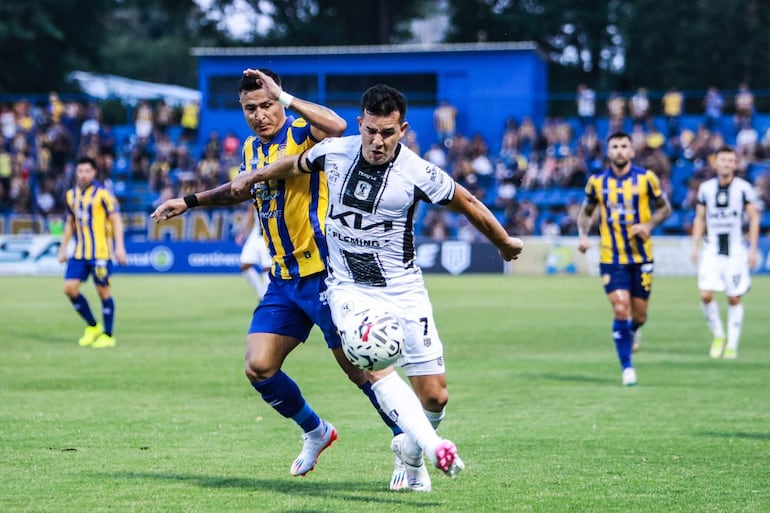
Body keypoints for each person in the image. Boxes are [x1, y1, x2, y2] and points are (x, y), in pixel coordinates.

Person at [231, 84, 524, 491]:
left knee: (435, 397)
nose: (377, 141)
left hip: (404, 289)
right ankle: (433, 445)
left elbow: (468, 202)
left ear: (402, 129)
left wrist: (505, 242)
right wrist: (257, 174)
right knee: (373, 367)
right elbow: (293, 165)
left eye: (387, 132)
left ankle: (412, 448)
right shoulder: (335, 151)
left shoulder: (418, 171)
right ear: (360, 124)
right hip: (348, 288)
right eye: (371, 130)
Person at [151, 69, 406, 487]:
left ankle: (405, 442)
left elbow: (338, 126)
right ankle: (316, 430)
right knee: (259, 366)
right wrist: (189, 201)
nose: (259, 115)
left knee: (361, 369)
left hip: (324, 274)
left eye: (266, 105)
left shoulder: (303, 134)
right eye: (251, 108)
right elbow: (239, 189)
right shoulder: (252, 148)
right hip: (284, 280)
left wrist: (284, 97)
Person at [577, 131, 672, 386]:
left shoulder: (646, 179)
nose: (619, 150)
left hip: (641, 257)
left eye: (624, 146)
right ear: (609, 152)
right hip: (611, 256)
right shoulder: (597, 182)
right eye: (615, 146)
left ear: (631, 151)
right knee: (621, 307)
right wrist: (583, 235)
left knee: (639, 316)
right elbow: (585, 213)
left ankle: (632, 332)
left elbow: (665, 208)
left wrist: (649, 225)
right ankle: (627, 368)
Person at [690, 145, 759, 359]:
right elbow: (700, 218)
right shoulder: (706, 189)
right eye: (723, 160)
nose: (726, 164)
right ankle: (718, 335)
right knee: (705, 294)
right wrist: (695, 245)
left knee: (734, 298)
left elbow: (754, 218)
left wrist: (753, 250)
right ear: (715, 162)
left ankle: (732, 343)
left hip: (736, 250)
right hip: (712, 249)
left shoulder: (744, 189)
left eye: (730, 160)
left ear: (735, 164)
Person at [58, 156, 127, 348]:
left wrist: (119, 247)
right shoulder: (71, 195)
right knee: (69, 289)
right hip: (80, 253)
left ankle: (108, 335)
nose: (83, 175)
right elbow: (70, 224)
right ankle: (92, 326)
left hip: (101, 253)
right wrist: (63, 249)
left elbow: (116, 220)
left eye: (87, 171)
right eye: (80, 171)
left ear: (94, 172)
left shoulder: (103, 194)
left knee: (102, 291)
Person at [236, 205, 271, 298]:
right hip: (255, 235)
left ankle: (266, 297)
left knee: (267, 268)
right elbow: (250, 215)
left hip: (269, 234)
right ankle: (261, 294)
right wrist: (242, 233)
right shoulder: (255, 194)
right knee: (245, 265)